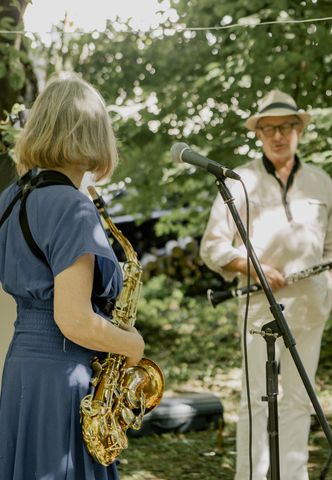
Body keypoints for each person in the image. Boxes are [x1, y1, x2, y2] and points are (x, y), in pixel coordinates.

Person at [0, 73, 145, 480]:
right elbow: (75, 319)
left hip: (22, 370)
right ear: (94, 135)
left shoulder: (11, 200)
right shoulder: (72, 207)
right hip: (65, 376)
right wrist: (132, 345)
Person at [200, 89, 332, 480]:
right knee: (256, 402)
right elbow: (212, 247)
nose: (277, 135)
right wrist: (250, 266)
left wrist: (329, 280)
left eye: (285, 127)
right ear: (259, 134)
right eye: (268, 129)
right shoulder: (239, 180)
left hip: (311, 309)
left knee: (300, 402)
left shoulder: (321, 181)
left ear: (299, 130)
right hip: (259, 309)